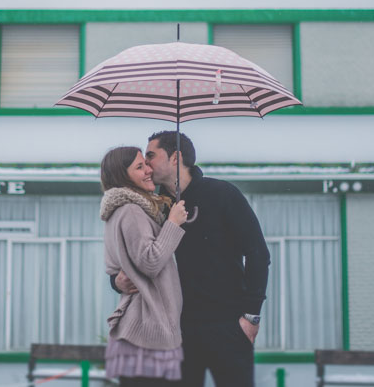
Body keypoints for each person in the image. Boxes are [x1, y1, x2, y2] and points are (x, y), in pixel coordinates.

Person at [114, 131, 270, 387]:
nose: (146, 163)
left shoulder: (222, 194)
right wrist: (116, 281)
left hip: (227, 326)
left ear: (175, 158)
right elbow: (129, 259)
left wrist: (251, 316)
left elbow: (258, 254)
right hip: (173, 332)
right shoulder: (148, 207)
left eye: (151, 155)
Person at [100, 145, 189, 386]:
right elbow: (150, 262)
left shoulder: (121, 210)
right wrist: (173, 223)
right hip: (146, 331)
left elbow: (121, 268)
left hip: (140, 328)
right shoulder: (131, 210)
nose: (149, 170)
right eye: (140, 167)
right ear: (123, 175)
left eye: (147, 163)